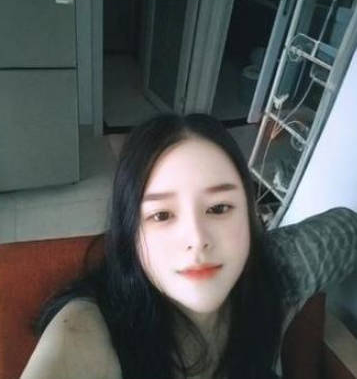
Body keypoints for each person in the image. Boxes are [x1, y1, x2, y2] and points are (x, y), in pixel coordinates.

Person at [20, 113, 357, 379]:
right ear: (131, 234)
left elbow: (348, 227)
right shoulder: (91, 328)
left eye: (219, 208)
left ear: (251, 217)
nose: (197, 239)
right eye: (162, 215)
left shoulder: (278, 272)